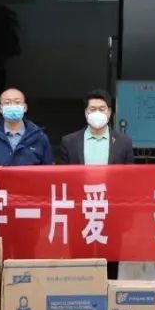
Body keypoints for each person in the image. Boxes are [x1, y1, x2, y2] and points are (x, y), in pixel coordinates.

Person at [58, 89, 134, 280]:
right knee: (79, 261)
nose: (97, 113)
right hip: (79, 212)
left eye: (102, 108)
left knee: (110, 263)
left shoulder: (123, 142)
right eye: (92, 109)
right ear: (86, 112)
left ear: (109, 112)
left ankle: (108, 294)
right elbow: (63, 179)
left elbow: (130, 180)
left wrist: (128, 215)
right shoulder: (70, 141)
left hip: (112, 212)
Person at [0, 87, 54, 167]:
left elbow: (49, 171)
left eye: (17, 102)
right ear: (0, 109)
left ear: (25, 108)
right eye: (7, 103)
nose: (12, 106)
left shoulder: (40, 138)